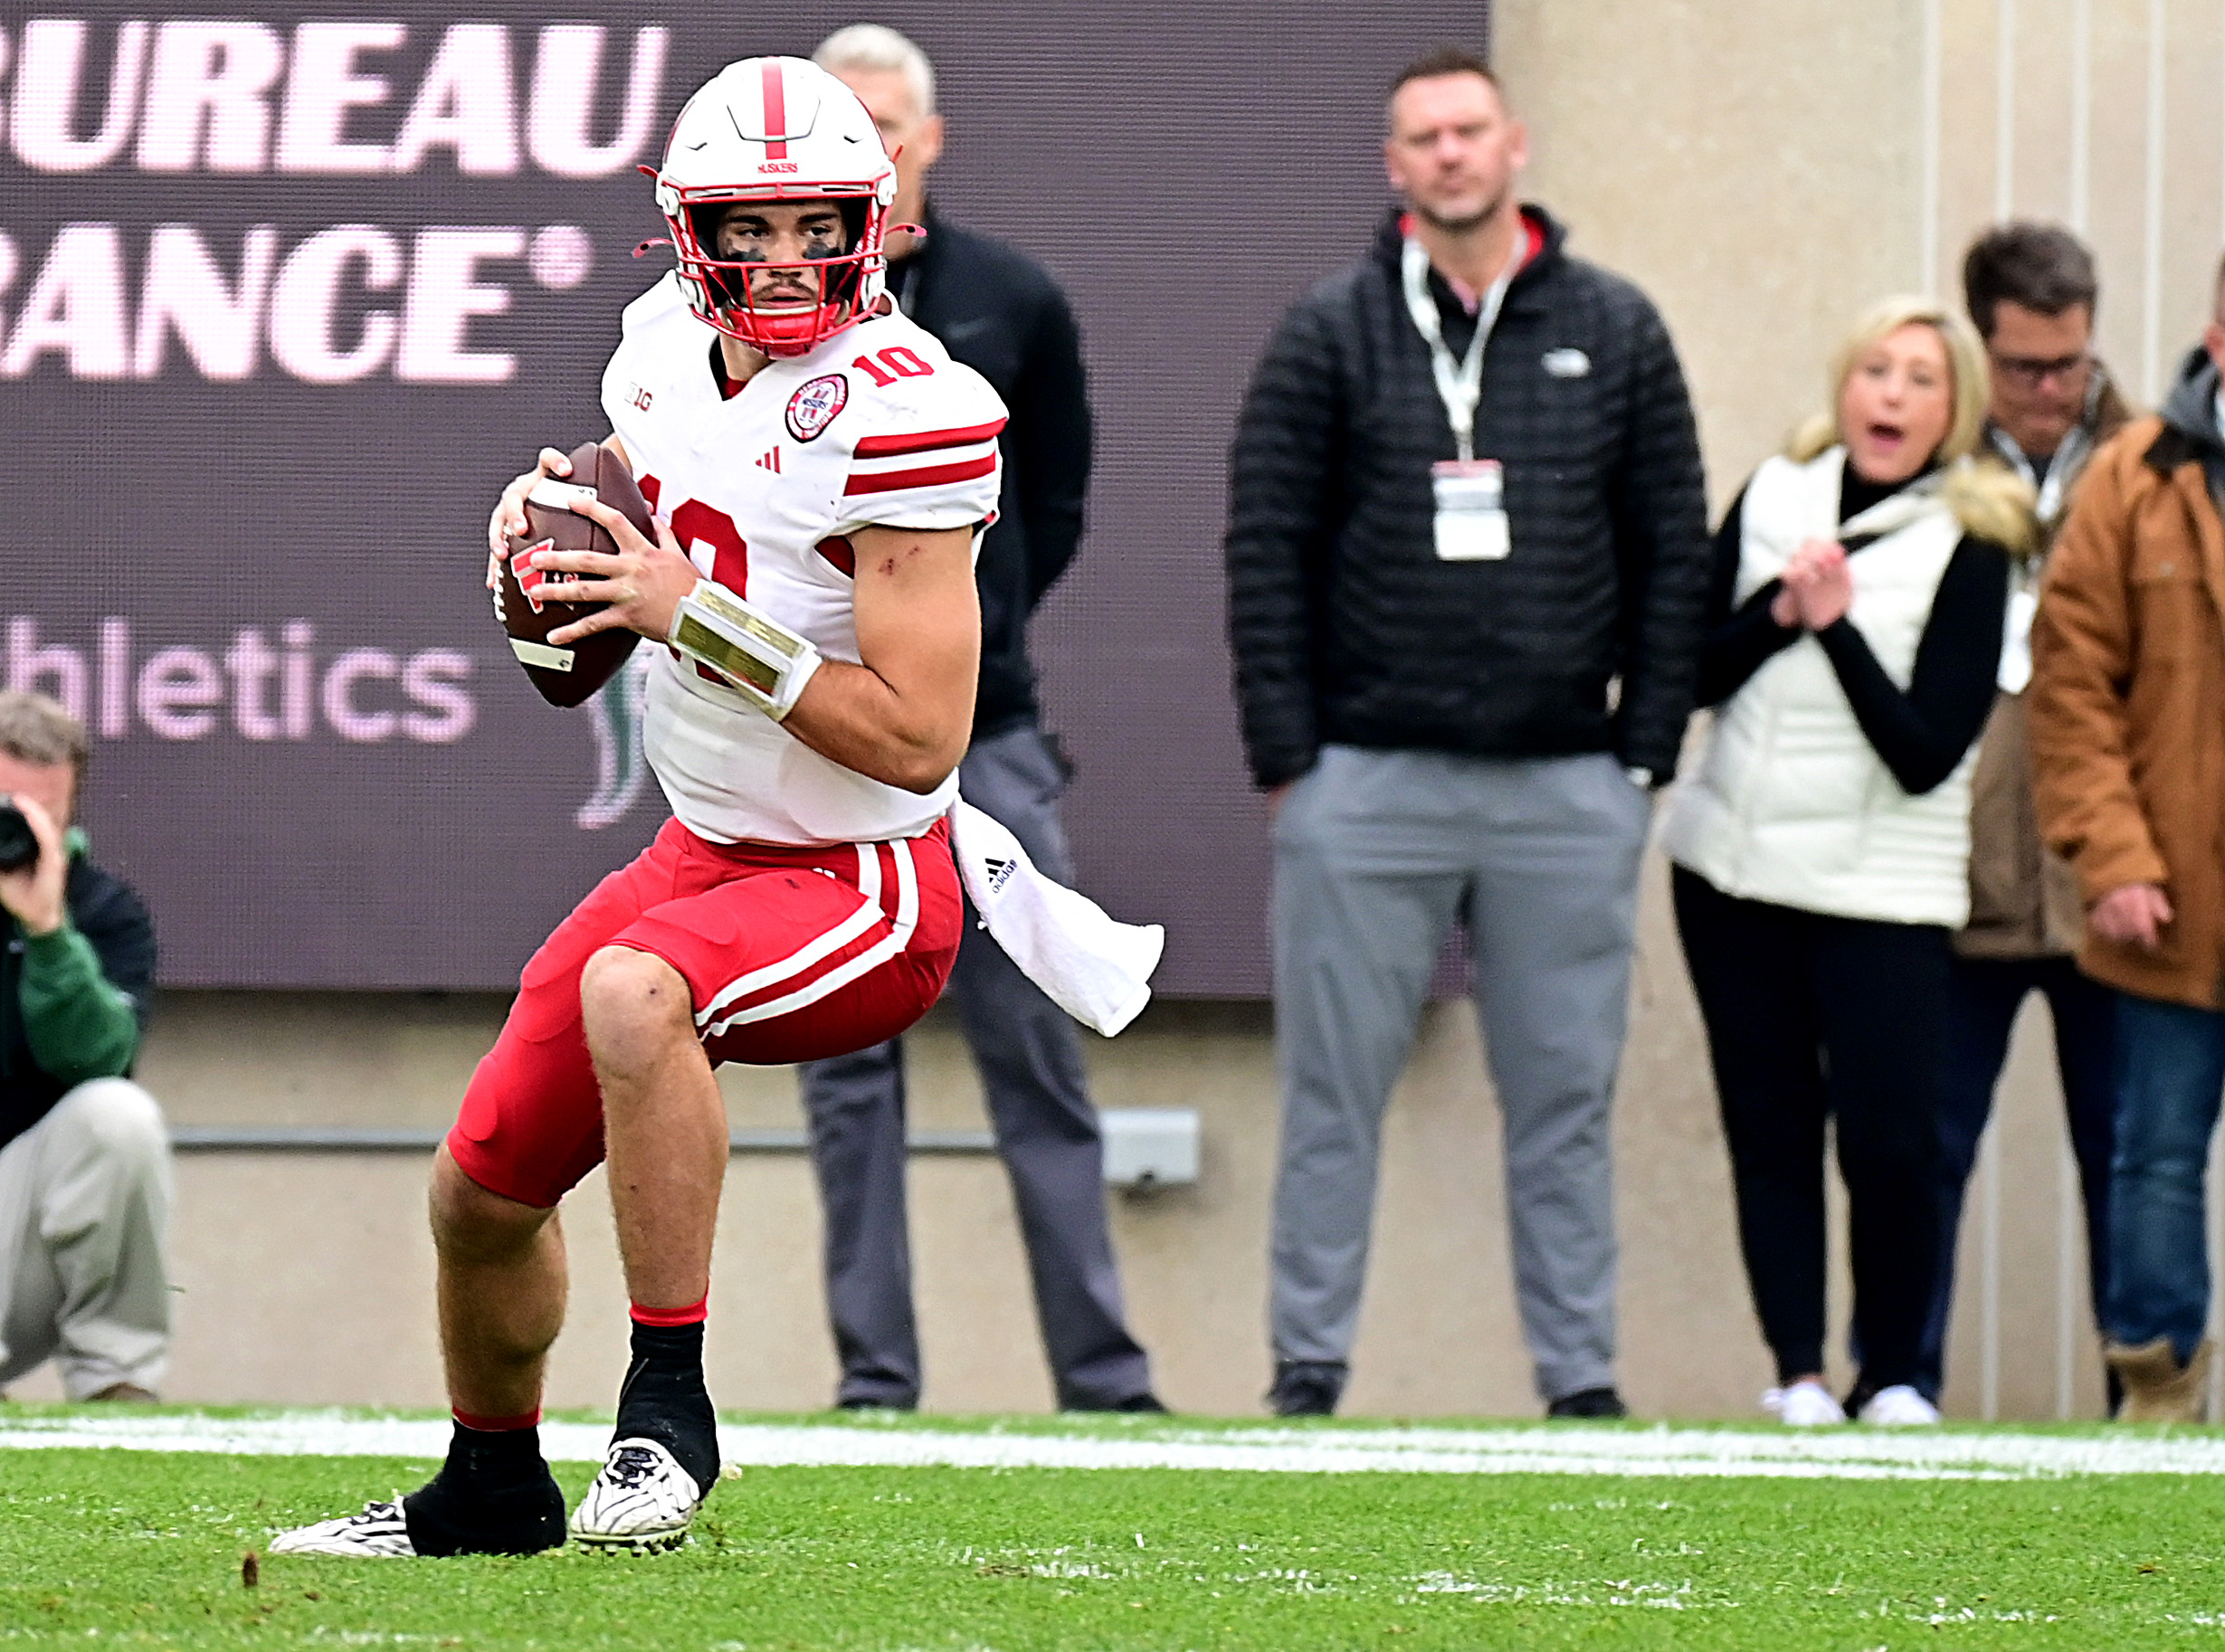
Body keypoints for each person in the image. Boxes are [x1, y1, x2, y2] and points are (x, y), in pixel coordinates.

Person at [275, 56, 1006, 1557]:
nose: (789, 259)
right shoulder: (659, 348)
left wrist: (688, 612)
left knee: (630, 988)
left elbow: (920, 739)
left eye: (820, 225)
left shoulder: (911, 410)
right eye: (755, 225)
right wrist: (556, 529)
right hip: (702, 849)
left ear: (872, 224)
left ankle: (666, 1415)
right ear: (687, 229)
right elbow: (645, 504)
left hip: (867, 877)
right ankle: (489, 1486)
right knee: (478, 1185)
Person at [1225, 47, 1711, 1419]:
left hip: (1566, 785)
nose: (1446, 154)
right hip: (1364, 785)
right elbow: (1265, 547)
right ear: (1393, 166)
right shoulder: (1326, 331)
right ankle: (1305, 1372)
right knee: (1330, 1098)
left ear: (1514, 147)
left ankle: (1580, 1383)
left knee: (1562, 1103)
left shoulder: (1612, 328)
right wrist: (1289, 762)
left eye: (1467, 131)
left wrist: (1642, 758)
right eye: (1420, 137)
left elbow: (1672, 546)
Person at [795, 24, 1158, 1415]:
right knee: (842, 1079)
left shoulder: (1013, 298)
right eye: (845, 129)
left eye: (889, 127)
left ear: (929, 138)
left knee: (1035, 1048)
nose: (870, 152)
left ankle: (1103, 1378)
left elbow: (1051, 507)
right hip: (815, 736)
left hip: (982, 730)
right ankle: (875, 1377)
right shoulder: (767, 312)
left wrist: (964, 638)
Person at [1661, 296, 2028, 1428]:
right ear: (1843, 385)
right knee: (1768, 1126)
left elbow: (1926, 750)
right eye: (1877, 369)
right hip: (1731, 875)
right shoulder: (1776, 493)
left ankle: (1896, 1374)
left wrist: (1835, 624)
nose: (1893, 395)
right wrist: (1781, 611)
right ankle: (1798, 1371)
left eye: (1922, 379)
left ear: (1954, 408)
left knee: (1890, 1140)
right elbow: (1689, 673)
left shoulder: (1978, 535)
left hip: (1880, 892)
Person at [1922, 224, 2132, 1408]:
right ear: (1981, 347)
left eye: (2067, 364)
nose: (2047, 391)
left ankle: (2145, 1401)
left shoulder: (2148, 460)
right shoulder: (1927, 458)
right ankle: (1897, 1388)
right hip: (1956, 883)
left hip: (2107, 884)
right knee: (1927, 1151)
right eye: (2021, 368)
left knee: (2123, 1160)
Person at [2029, 254, 2225, 1423]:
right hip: (2167, 899)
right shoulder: (2128, 479)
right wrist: (2109, 858)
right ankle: (2157, 1384)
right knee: (2151, 1157)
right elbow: (2070, 688)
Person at [0, 691, 165, 1404]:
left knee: (116, 1115)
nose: (17, 834)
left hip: (17, 1245)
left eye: (40, 817)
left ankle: (114, 1377)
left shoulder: (103, 914)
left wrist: (47, 937)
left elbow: (96, 1060)